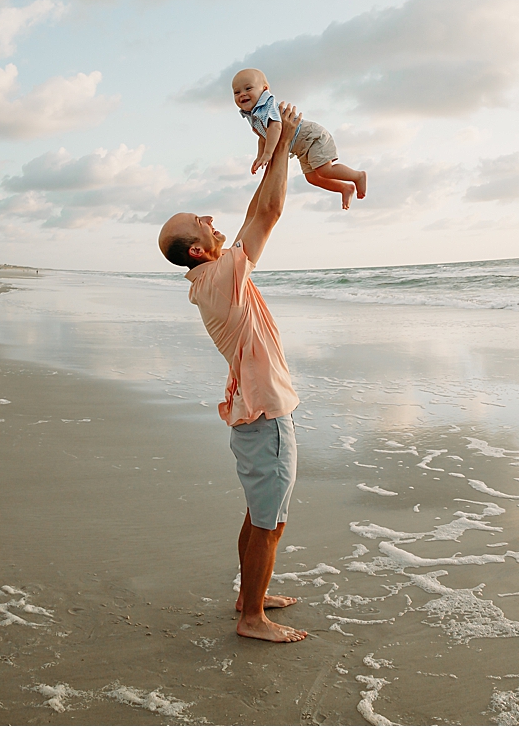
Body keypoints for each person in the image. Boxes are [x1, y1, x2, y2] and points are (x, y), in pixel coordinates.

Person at [158, 99, 309, 643]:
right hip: (265, 414)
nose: (210, 218)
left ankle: (251, 596)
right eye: (200, 222)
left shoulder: (209, 279)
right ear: (197, 249)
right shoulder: (218, 277)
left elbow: (253, 217)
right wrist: (283, 145)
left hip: (258, 410)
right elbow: (265, 214)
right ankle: (252, 620)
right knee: (271, 520)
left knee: (260, 511)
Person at [231, 68, 366, 210]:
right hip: (302, 148)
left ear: (264, 89)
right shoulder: (253, 114)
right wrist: (260, 157)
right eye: (237, 92)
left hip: (311, 137)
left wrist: (268, 154)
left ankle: (358, 176)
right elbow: (263, 137)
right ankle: (344, 188)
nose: (242, 94)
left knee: (325, 170)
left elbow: (275, 127)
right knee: (312, 178)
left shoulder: (266, 105)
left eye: (248, 88)